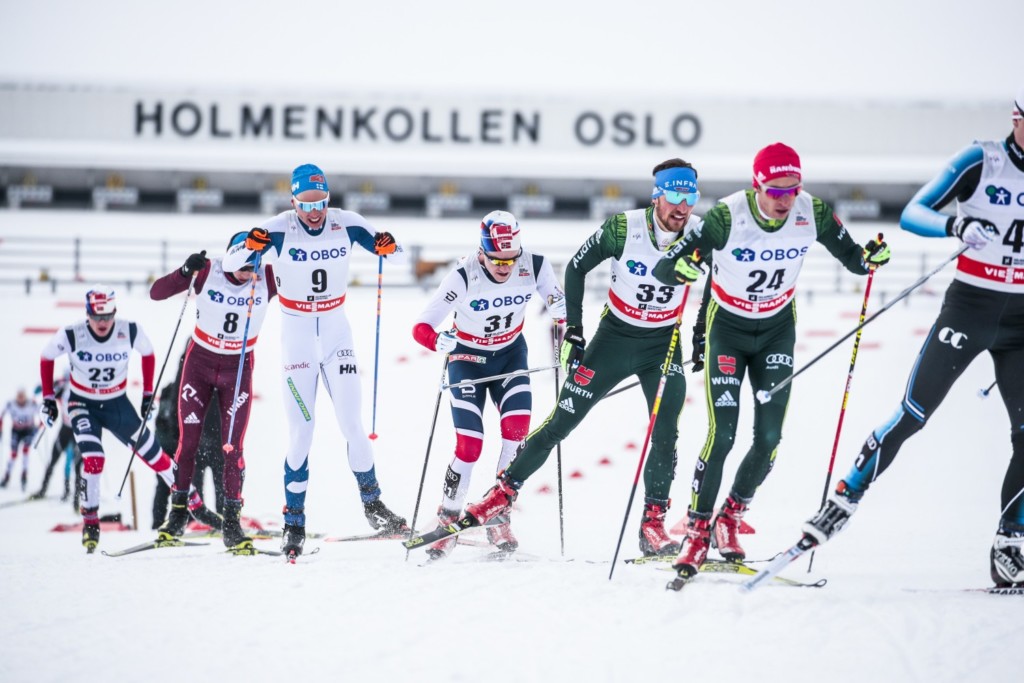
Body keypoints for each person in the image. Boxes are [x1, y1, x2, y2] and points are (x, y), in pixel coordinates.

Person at [801, 91, 1024, 587]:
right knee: (915, 410)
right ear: (1016, 118)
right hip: (972, 306)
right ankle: (844, 497)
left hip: (1022, 321)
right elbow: (913, 212)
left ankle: (1012, 538)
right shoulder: (981, 160)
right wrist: (956, 223)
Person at [650, 143, 891, 578]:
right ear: (757, 184)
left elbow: (855, 260)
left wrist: (870, 257)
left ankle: (731, 516)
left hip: (777, 330)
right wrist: (683, 270)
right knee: (722, 434)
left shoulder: (811, 212)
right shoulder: (727, 216)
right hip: (728, 329)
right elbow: (667, 267)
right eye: (776, 190)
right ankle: (698, 531)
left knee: (769, 438)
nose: (785, 199)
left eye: (792, 189)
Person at [458, 159, 704, 557]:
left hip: (662, 346)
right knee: (560, 423)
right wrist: (573, 329)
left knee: (665, 431)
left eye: (690, 196)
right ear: (657, 196)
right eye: (675, 195)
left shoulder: (699, 232)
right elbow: (576, 267)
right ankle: (499, 496)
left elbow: (722, 273)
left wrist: (701, 330)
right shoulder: (624, 227)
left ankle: (653, 524)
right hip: (614, 340)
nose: (683, 206)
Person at [224, 163, 409, 558]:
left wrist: (390, 246)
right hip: (298, 335)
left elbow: (397, 257)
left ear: (329, 199)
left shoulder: (347, 223)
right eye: (306, 204)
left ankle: (374, 506)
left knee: (352, 424)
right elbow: (229, 264)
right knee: (301, 432)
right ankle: (294, 523)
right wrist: (250, 246)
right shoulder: (279, 227)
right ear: (293, 201)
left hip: (336, 330)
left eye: (321, 203)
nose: (314, 212)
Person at [411, 211, 566, 559]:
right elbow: (421, 326)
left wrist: (563, 318)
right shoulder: (462, 275)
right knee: (469, 446)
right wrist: (438, 342)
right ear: (482, 251)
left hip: (511, 356)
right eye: (496, 259)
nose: (504, 266)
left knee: (516, 436)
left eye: (510, 259)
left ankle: (498, 514)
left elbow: (557, 299)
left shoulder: (535, 265)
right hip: (468, 361)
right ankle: (447, 517)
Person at [39, 284, 218, 552]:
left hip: (116, 404)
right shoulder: (73, 334)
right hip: (83, 404)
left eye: (108, 316)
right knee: (94, 459)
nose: (103, 323)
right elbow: (47, 356)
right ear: (88, 313)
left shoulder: (128, 330)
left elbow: (147, 352)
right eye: (97, 317)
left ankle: (195, 505)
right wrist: (49, 398)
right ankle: (90, 521)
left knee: (155, 456)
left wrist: (148, 395)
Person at [150, 237, 274, 550]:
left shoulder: (269, 277)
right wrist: (183, 272)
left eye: (255, 264)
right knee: (187, 442)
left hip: (238, 368)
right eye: (245, 264)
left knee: (232, 448)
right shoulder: (209, 271)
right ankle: (177, 514)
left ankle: (231, 522)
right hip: (200, 363)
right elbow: (157, 293)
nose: (250, 272)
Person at [152, 351, 225, 529]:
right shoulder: (192, 352)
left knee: (218, 484)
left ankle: (221, 521)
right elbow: (179, 391)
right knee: (195, 483)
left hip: (214, 436)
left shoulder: (217, 352)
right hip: (200, 435)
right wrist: (178, 433)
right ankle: (195, 522)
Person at [31, 372, 80, 502]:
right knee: (53, 460)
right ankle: (43, 490)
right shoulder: (63, 387)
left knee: (77, 464)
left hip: (79, 431)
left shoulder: (83, 388)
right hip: (65, 430)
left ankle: (76, 498)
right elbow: (46, 394)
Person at [0, 388, 40, 491]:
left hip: (28, 430)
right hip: (16, 431)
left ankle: (24, 476)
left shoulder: (32, 404)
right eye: (19, 396)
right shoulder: (11, 404)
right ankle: (7, 476)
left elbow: (43, 414)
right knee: (13, 454)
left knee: (25, 451)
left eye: (22, 396)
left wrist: (38, 427)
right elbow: (2, 415)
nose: (21, 399)